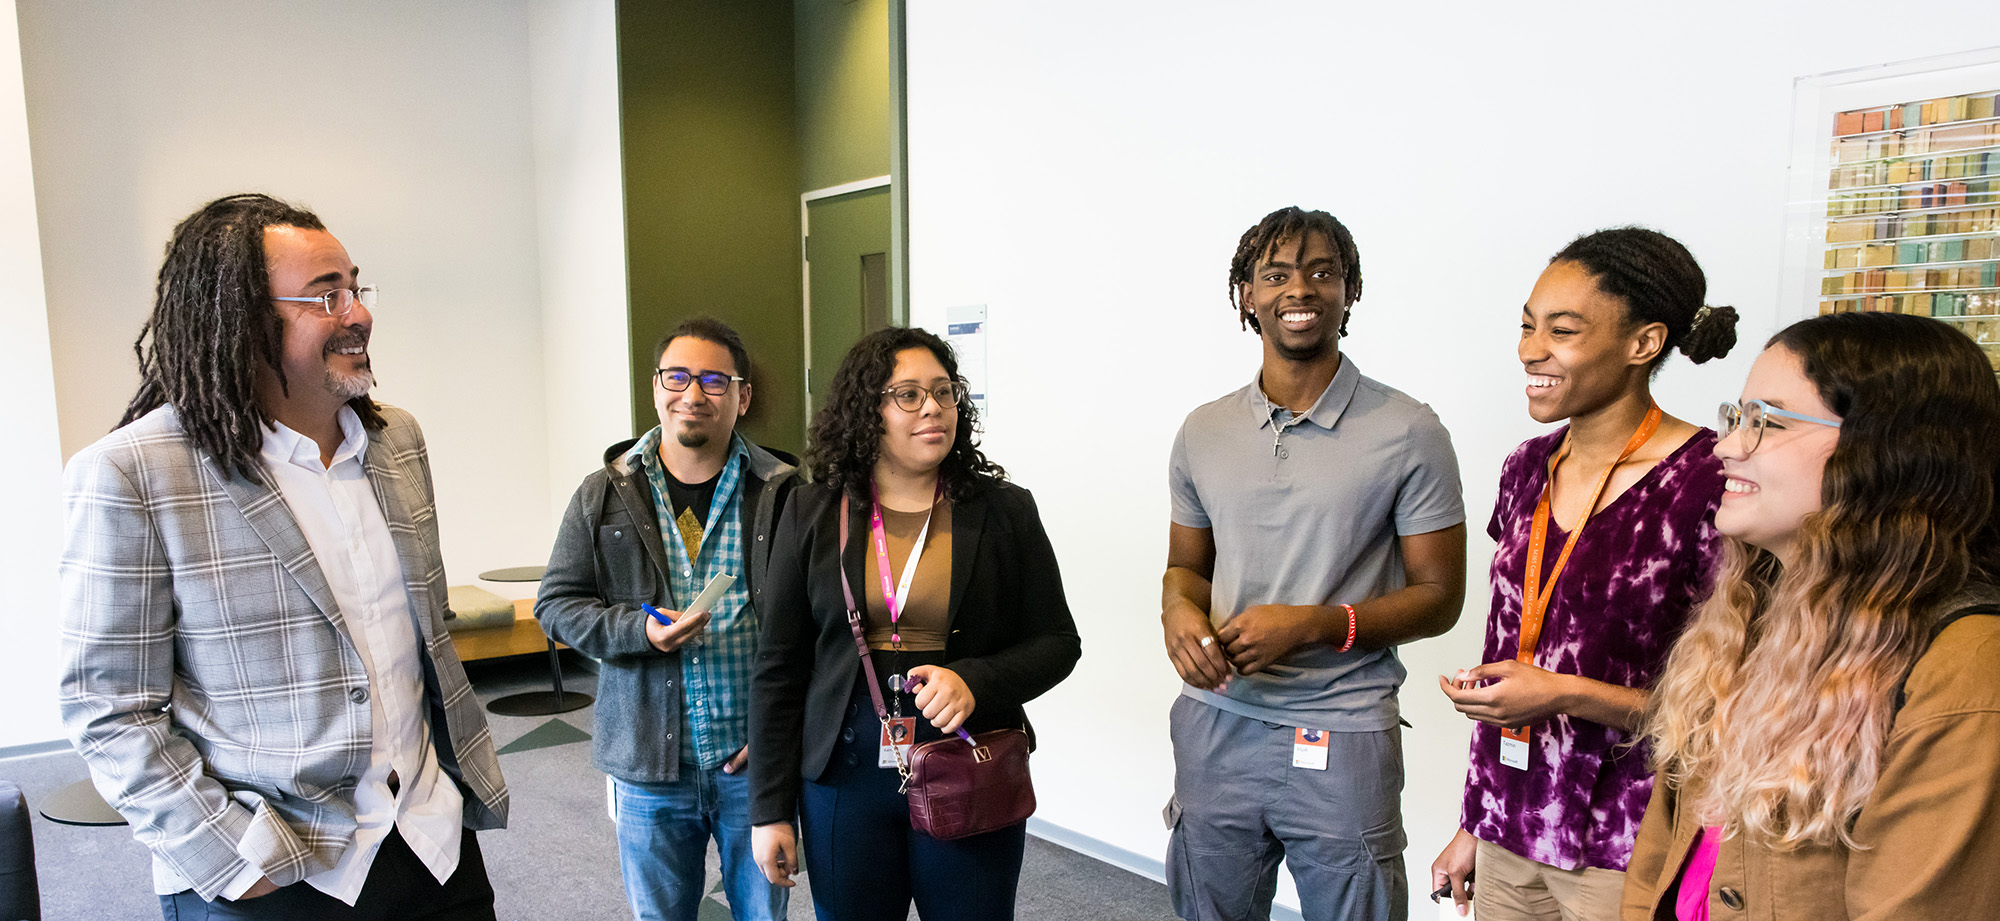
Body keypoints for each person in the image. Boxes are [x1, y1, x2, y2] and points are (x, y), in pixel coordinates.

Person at [58, 193, 508, 919]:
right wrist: (233, 861)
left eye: (355, 287)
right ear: (237, 318)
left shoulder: (396, 442)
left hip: (431, 841)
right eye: (325, 296)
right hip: (277, 869)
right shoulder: (134, 473)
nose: (357, 313)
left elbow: (421, 638)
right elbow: (109, 709)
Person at [1622, 312, 2000, 920]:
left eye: (1765, 422)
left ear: (1885, 450)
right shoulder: (1749, 616)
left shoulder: (1963, 664)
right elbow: (1659, 862)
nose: (1725, 445)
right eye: (1736, 416)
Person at [1161, 206, 1468, 921]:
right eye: (1276, 274)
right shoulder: (1203, 429)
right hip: (1215, 723)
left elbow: (1439, 596)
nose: (1300, 289)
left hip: (1343, 729)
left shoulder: (1409, 430)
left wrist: (1313, 625)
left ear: (1349, 291)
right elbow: (1185, 567)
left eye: (1322, 272)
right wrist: (1176, 608)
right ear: (1246, 294)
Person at [1430, 228, 1739, 919]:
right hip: (1510, 826)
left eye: (1562, 330)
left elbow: (1729, 699)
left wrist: (1566, 693)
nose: (1530, 350)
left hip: (1628, 838)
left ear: (1643, 343)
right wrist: (1474, 820)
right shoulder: (1525, 466)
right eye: (1526, 326)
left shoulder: (1711, 481)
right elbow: (1511, 644)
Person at [749, 326, 1081, 920]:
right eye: (907, 394)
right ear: (865, 411)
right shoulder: (811, 510)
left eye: (943, 391)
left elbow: (1058, 642)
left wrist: (976, 681)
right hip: (842, 774)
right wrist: (768, 809)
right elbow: (779, 667)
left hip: (966, 761)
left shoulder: (1003, 511)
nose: (932, 407)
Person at [536, 317, 797, 921]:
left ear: (743, 395)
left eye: (714, 380)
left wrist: (782, 734)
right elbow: (556, 604)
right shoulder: (603, 492)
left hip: (751, 760)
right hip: (648, 764)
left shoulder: (784, 493)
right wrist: (639, 632)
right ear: (656, 387)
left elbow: (816, 627)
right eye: (677, 377)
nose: (694, 394)